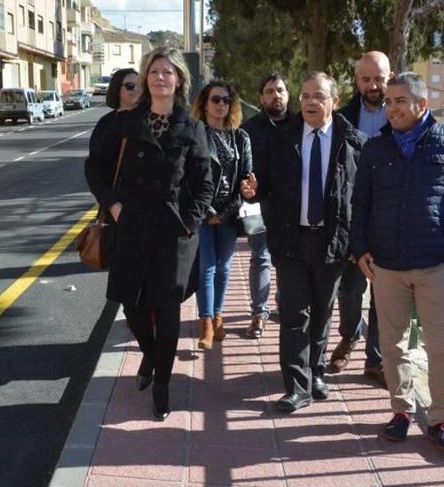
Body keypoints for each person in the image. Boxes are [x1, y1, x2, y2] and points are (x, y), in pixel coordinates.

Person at [350, 72, 444, 450]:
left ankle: (441, 420)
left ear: (421, 104)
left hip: (437, 264)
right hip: (387, 266)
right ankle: (401, 411)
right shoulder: (376, 150)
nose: (390, 108)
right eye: (388, 102)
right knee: (392, 345)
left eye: (399, 101)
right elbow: (360, 203)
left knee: (442, 344)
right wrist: (359, 247)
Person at [84, 47, 214, 420]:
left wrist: (190, 222)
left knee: (168, 306)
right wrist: (113, 206)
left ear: (179, 81)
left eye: (167, 72)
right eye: (154, 71)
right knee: (133, 304)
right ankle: (152, 356)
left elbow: (204, 183)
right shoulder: (123, 123)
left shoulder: (192, 128)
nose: (160, 77)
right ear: (145, 79)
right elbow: (95, 169)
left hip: (174, 229)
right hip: (131, 222)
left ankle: (161, 384)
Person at [241, 72, 366, 412]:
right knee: (295, 313)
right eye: (306, 96)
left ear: (333, 102)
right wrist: (254, 190)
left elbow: (362, 197)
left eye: (319, 96)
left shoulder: (353, 142)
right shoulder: (282, 140)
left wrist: (358, 243)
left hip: (332, 242)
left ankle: (316, 371)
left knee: (323, 312)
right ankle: (297, 386)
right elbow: (264, 184)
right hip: (291, 240)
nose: (311, 102)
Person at [328, 51, 391, 386]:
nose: (372, 85)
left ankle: (376, 359)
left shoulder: (402, 114)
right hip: (353, 220)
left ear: (390, 76)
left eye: (378, 78)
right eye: (366, 79)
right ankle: (349, 336)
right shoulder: (341, 118)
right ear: (357, 81)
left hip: (389, 221)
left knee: (383, 293)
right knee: (350, 289)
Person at [191, 81, 252, 350]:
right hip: (202, 213)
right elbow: (187, 179)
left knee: (224, 268)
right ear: (204, 104)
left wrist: (224, 213)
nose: (221, 105)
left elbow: (246, 181)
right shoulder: (195, 135)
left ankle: (217, 316)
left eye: (226, 100)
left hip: (230, 213)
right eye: (215, 100)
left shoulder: (241, 137)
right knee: (208, 267)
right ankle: (205, 323)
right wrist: (208, 212)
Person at [240, 74, 290, 339]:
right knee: (261, 257)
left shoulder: (300, 125)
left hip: (291, 206)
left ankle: (284, 305)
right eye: (269, 91)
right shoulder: (248, 130)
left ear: (288, 94)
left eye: (280, 90)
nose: (275, 95)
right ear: (261, 98)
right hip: (256, 205)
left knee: (286, 259)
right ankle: (258, 313)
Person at [90, 69, 141, 146]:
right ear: (117, 89)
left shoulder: (150, 118)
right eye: (130, 86)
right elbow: (96, 155)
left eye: (140, 85)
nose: (137, 89)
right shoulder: (105, 123)